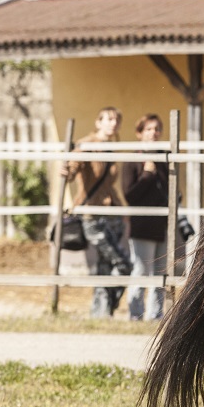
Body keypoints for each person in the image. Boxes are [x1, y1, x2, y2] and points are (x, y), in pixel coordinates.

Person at [62, 106, 132, 317]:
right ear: (98, 122)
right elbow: (72, 168)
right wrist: (67, 170)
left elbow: (110, 185)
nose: (113, 123)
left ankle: (100, 313)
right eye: (108, 119)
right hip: (92, 214)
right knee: (123, 264)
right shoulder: (87, 144)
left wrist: (122, 209)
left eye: (117, 120)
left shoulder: (112, 147)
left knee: (105, 266)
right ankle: (108, 306)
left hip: (112, 213)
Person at [122, 113, 168, 321]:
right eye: (149, 129)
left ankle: (155, 314)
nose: (154, 133)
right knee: (141, 269)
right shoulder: (132, 160)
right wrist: (147, 175)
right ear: (139, 133)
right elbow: (129, 194)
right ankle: (135, 313)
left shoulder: (165, 157)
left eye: (157, 129)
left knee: (161, 272)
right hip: (142, 224)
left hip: (162, 223)